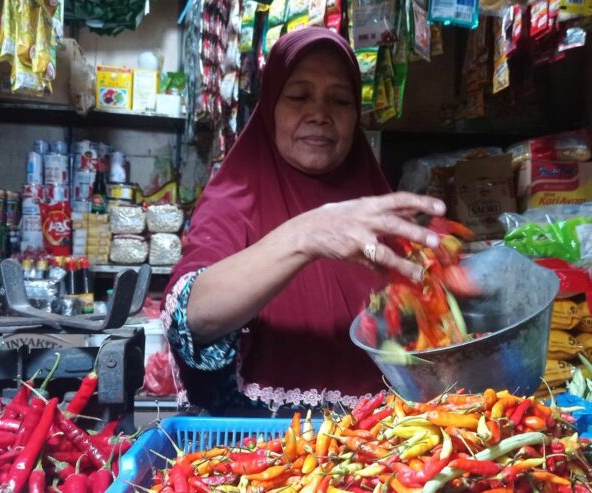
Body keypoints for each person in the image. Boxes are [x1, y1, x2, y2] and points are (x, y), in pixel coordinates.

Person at [163, 27, 445, 415]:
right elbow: (190, 318)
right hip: (260, 456)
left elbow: (417, 335)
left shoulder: (374, 207)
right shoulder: (235, 199)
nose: (319, 115)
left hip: (380, 455)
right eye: (298, 96)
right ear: (270, 107)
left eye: (340, 100)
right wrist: (306, 235)